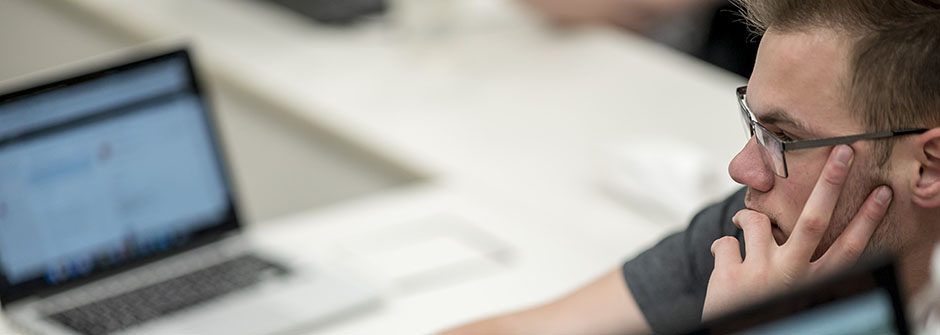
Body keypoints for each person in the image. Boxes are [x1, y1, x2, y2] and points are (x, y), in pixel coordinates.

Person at [444, 0, 940, 333]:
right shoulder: (775, 238)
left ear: (928, 168)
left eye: (785, 138)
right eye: (754, 125)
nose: (742, 168)